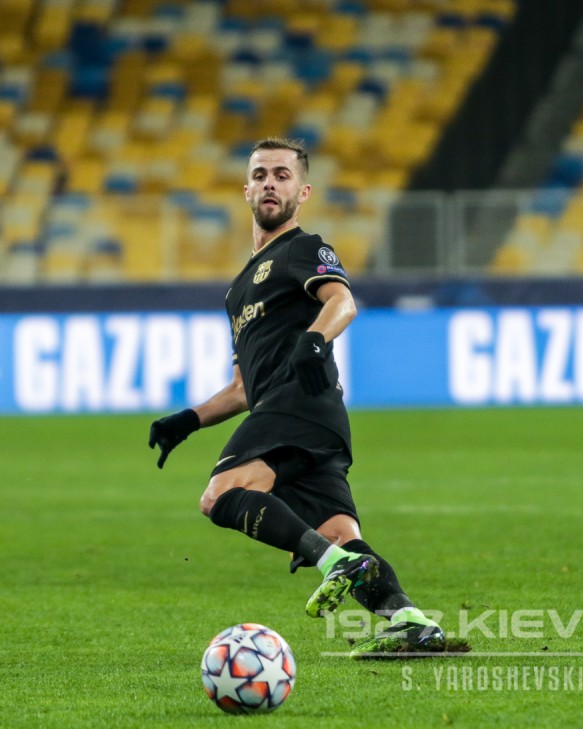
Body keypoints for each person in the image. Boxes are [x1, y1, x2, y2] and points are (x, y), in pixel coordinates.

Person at [149, 137, 445, 658]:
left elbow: (343, 301)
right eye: (260, 175)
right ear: (246, 190)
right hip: (312, 420)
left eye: (282, 176)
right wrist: (189, 419)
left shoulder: (301, 248)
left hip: (298, 404)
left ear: (302, 192)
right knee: (339, 532)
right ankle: (411, 622)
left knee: (218, 496)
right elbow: (243, 387)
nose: (270, 183)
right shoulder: (237, 291)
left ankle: (334, 566)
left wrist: (314, 338)